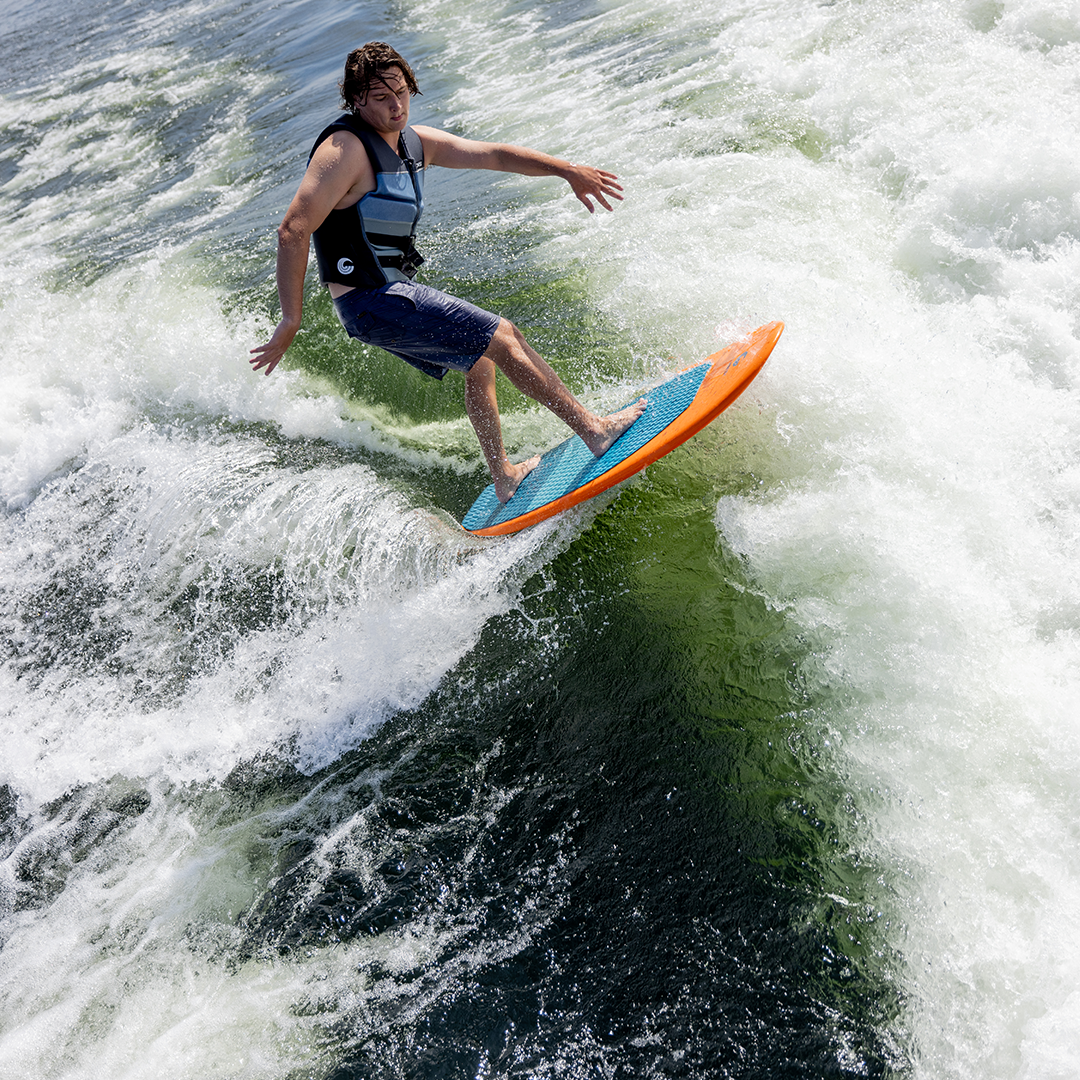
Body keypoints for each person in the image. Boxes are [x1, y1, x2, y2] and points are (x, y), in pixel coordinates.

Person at [250, 42, 645, 504]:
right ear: (356, 100)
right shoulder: (344, 150)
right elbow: (293, 229)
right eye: (381, 98)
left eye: (401, 91)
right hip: (370, 299)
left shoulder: (415, 144)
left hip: (387, 293)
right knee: (503, 337)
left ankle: (504, 477)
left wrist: (566, 171)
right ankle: (594, 430)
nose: (396, 106)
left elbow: (493, 155)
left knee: (478, 361)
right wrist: (290, 320)